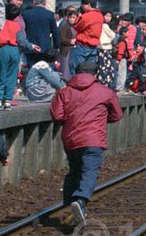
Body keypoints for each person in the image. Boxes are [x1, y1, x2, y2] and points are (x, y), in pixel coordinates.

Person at [50, 59, 123, 224]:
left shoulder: (65, 91)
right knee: (89, 171)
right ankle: (80, 200)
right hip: (93, 138)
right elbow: (117, 115)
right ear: (95, 74)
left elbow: (57, 115)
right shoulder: (105, 91)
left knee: (74, 170)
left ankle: (68, 205)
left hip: (71, 138)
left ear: (77, 72)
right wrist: (101, 119)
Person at [0, 3, 32, 109]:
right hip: (15, 50)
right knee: (12, 76)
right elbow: (22, 41)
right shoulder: (17, 26)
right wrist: (31, 46)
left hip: (1, 49)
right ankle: (7, 101)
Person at [19, 0, 59, 67]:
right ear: (45, 2)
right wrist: (56, 46)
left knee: (31, 69)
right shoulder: (49, 14)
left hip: (30, 46)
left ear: (34, 2)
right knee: (45, 68)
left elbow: (22, 29)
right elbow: (55, 32)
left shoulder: (26, 13)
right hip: (45, 47)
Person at [70, 0, 104, 75]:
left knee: (76, 68)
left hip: (83, 45)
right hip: (94, 46)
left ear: (88, 4)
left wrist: (79, 15)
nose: (82, 7)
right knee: (90, 70)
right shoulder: (100, 15)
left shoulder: (86, 16)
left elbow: (77, 26)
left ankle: (76, 85)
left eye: (83, 5)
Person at [57, 7, 79, 79]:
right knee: (65, 69)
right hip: (66, 51)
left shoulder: (77, 27)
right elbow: (61, 39)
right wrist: (70, 41)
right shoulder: (65, 27)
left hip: (75, 50)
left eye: (73, 17)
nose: (72, 19)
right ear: (67, 18)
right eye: (70, 17)